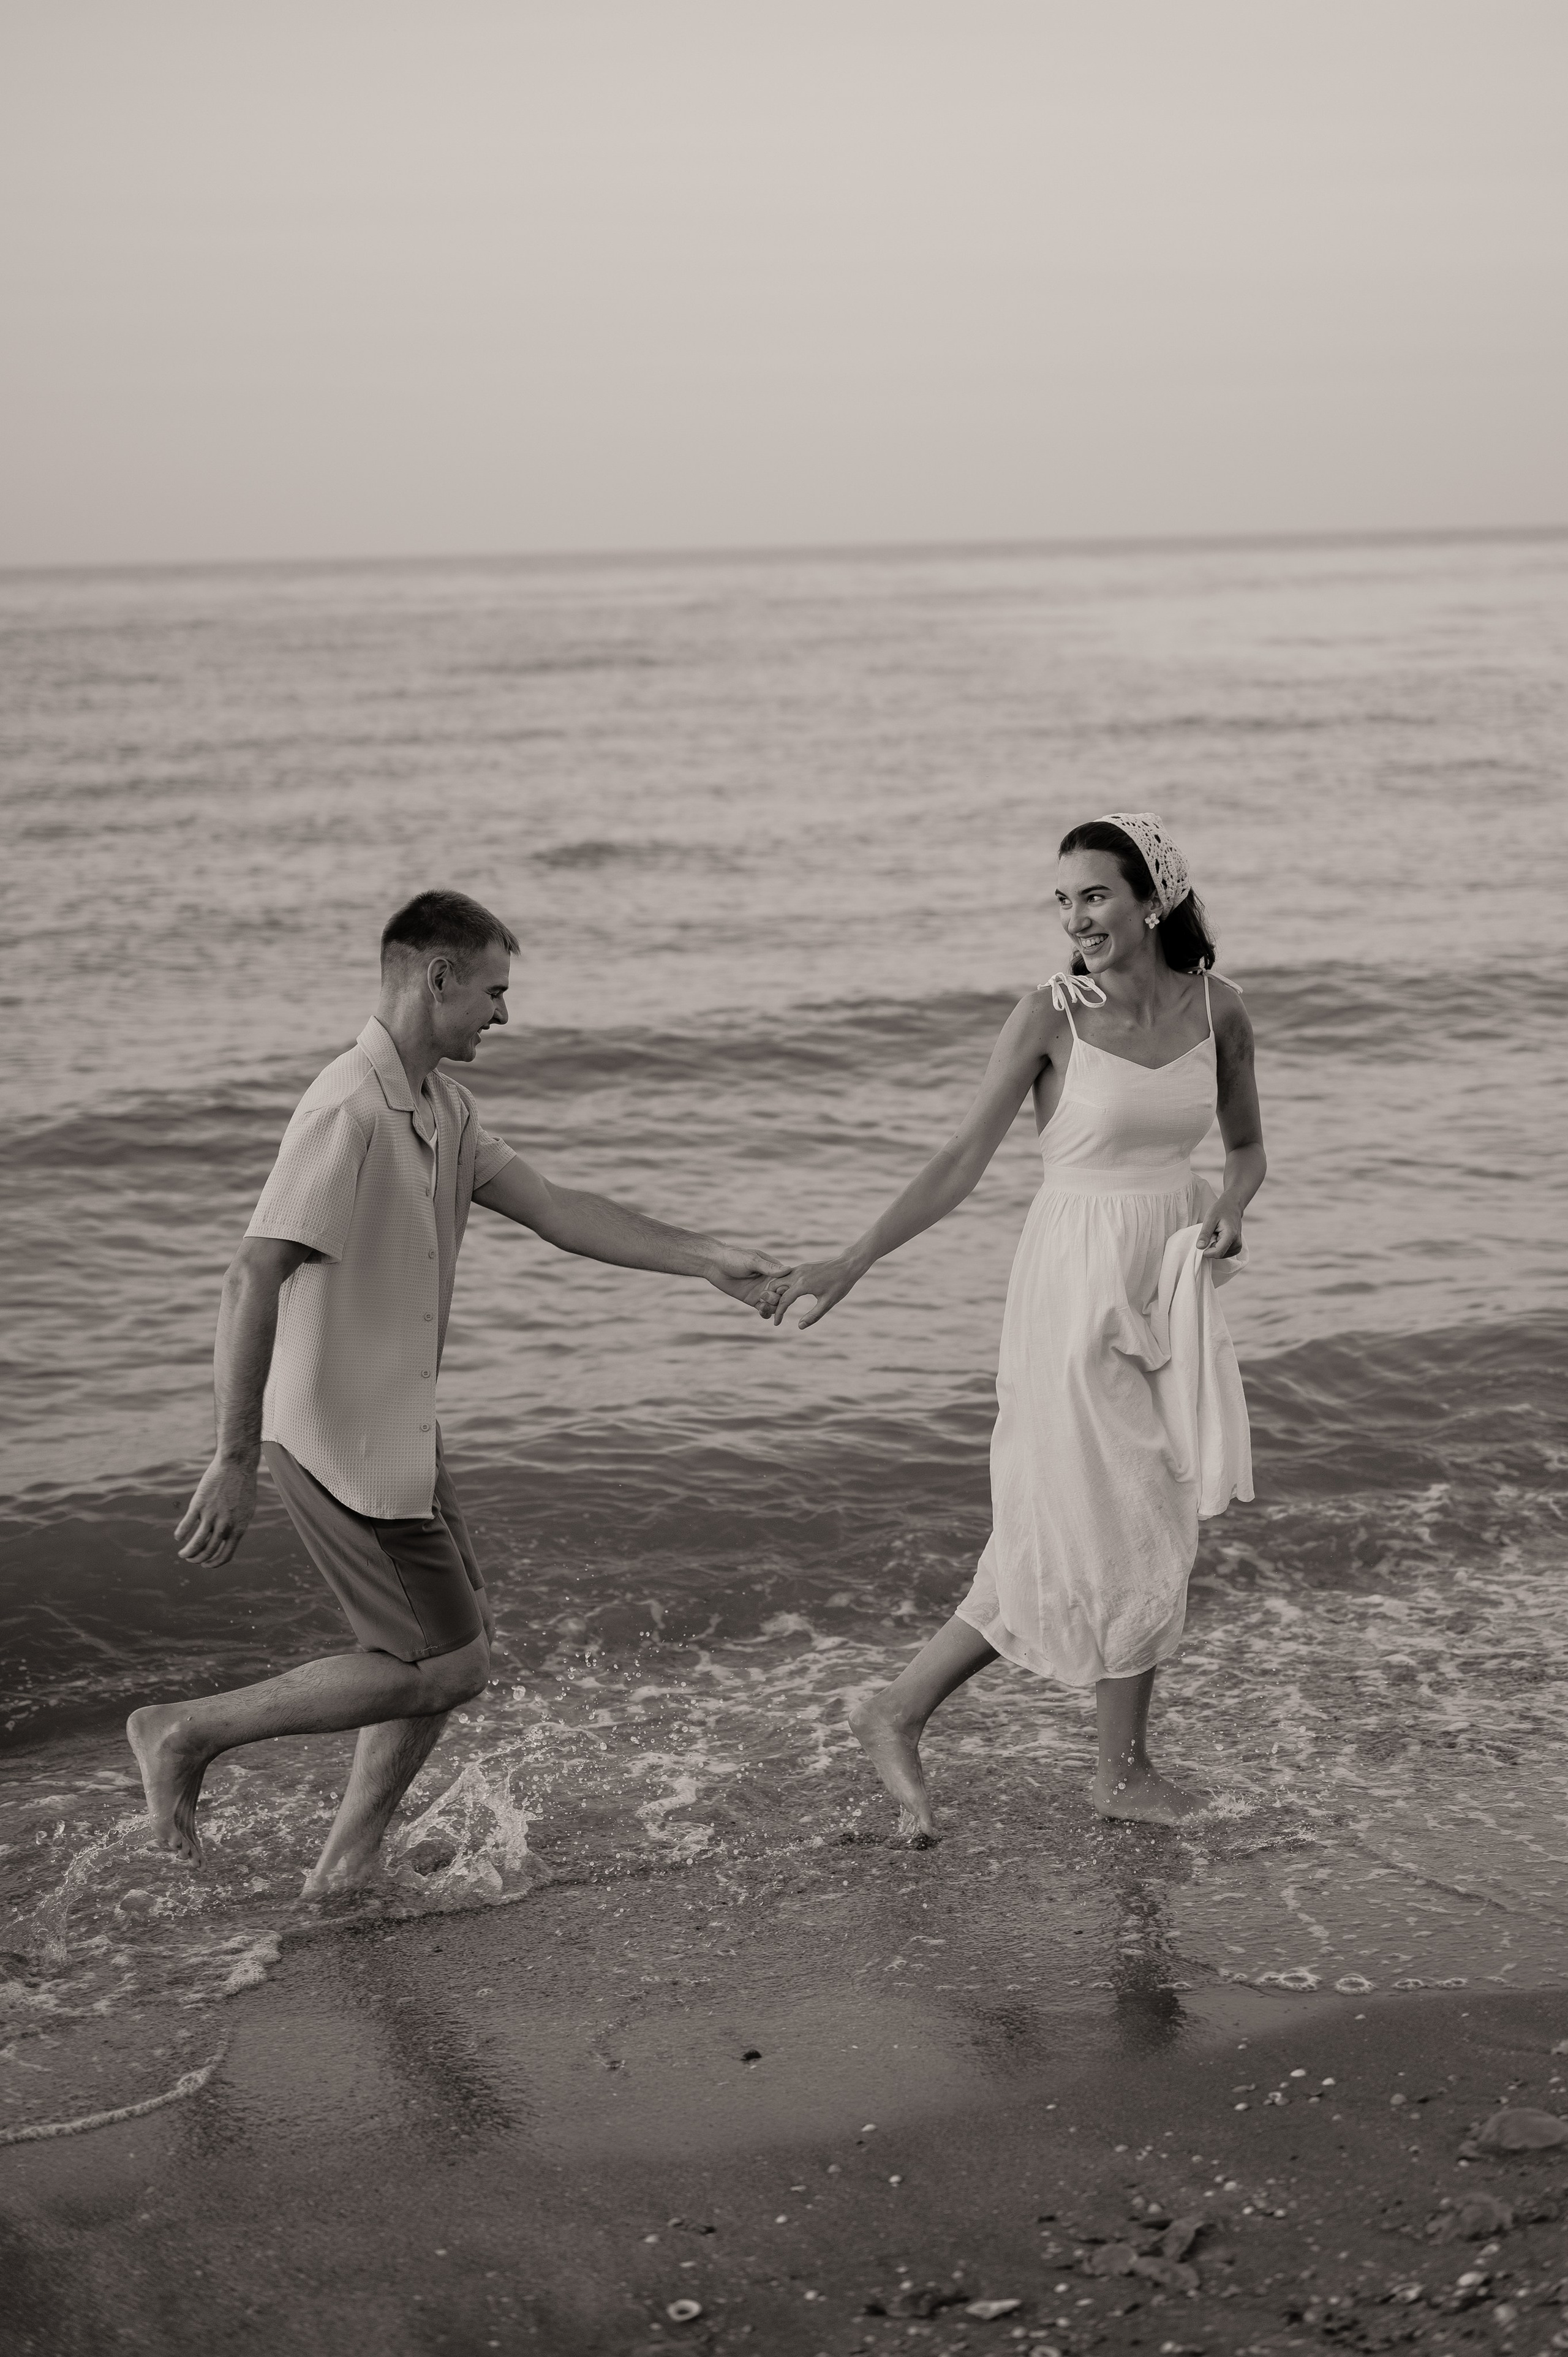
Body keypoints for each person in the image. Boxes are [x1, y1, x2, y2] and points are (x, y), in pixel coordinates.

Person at [129, 889, 782, 1891]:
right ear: (437, 978)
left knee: (446, 1642)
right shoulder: (347, 1109)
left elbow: (558, 1209)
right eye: (493, 992)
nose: (503, 1016)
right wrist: (231, 1456)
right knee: (455, 1661)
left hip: (403, 1432)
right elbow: (252, 1272)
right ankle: (186, 1733)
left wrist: (706, 1260)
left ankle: (347, 1860)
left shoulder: (441, 1105)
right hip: (341, 1435)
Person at [763, 815, 1264, 1837]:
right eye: (1065, 901)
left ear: (1152, 899)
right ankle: (1119, 1775)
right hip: (1074, 1286)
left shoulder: (1220, 1008)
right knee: (1123, 1509)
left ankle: (897, 1710)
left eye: (1096, 896)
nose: (1077, 919)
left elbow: (1248, 1147)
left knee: (1112, 1513)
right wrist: (852, 1259)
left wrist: (1230, 1209)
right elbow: (960, 1162)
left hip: (1169, 1272)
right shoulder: (1049, 1016)